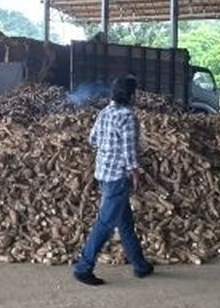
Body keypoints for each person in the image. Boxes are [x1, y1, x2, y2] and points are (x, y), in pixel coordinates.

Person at [72, 76, 153, 286]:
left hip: (103, 173)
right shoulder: (128, 116)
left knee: (125, 222)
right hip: (118, 177)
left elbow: (92, 139)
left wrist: (108, 149)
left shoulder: (105, 112)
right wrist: (135, 174)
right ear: (131, 95)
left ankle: (140, 265)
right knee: (105, 223)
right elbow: (129, 152)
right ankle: (83, 268)